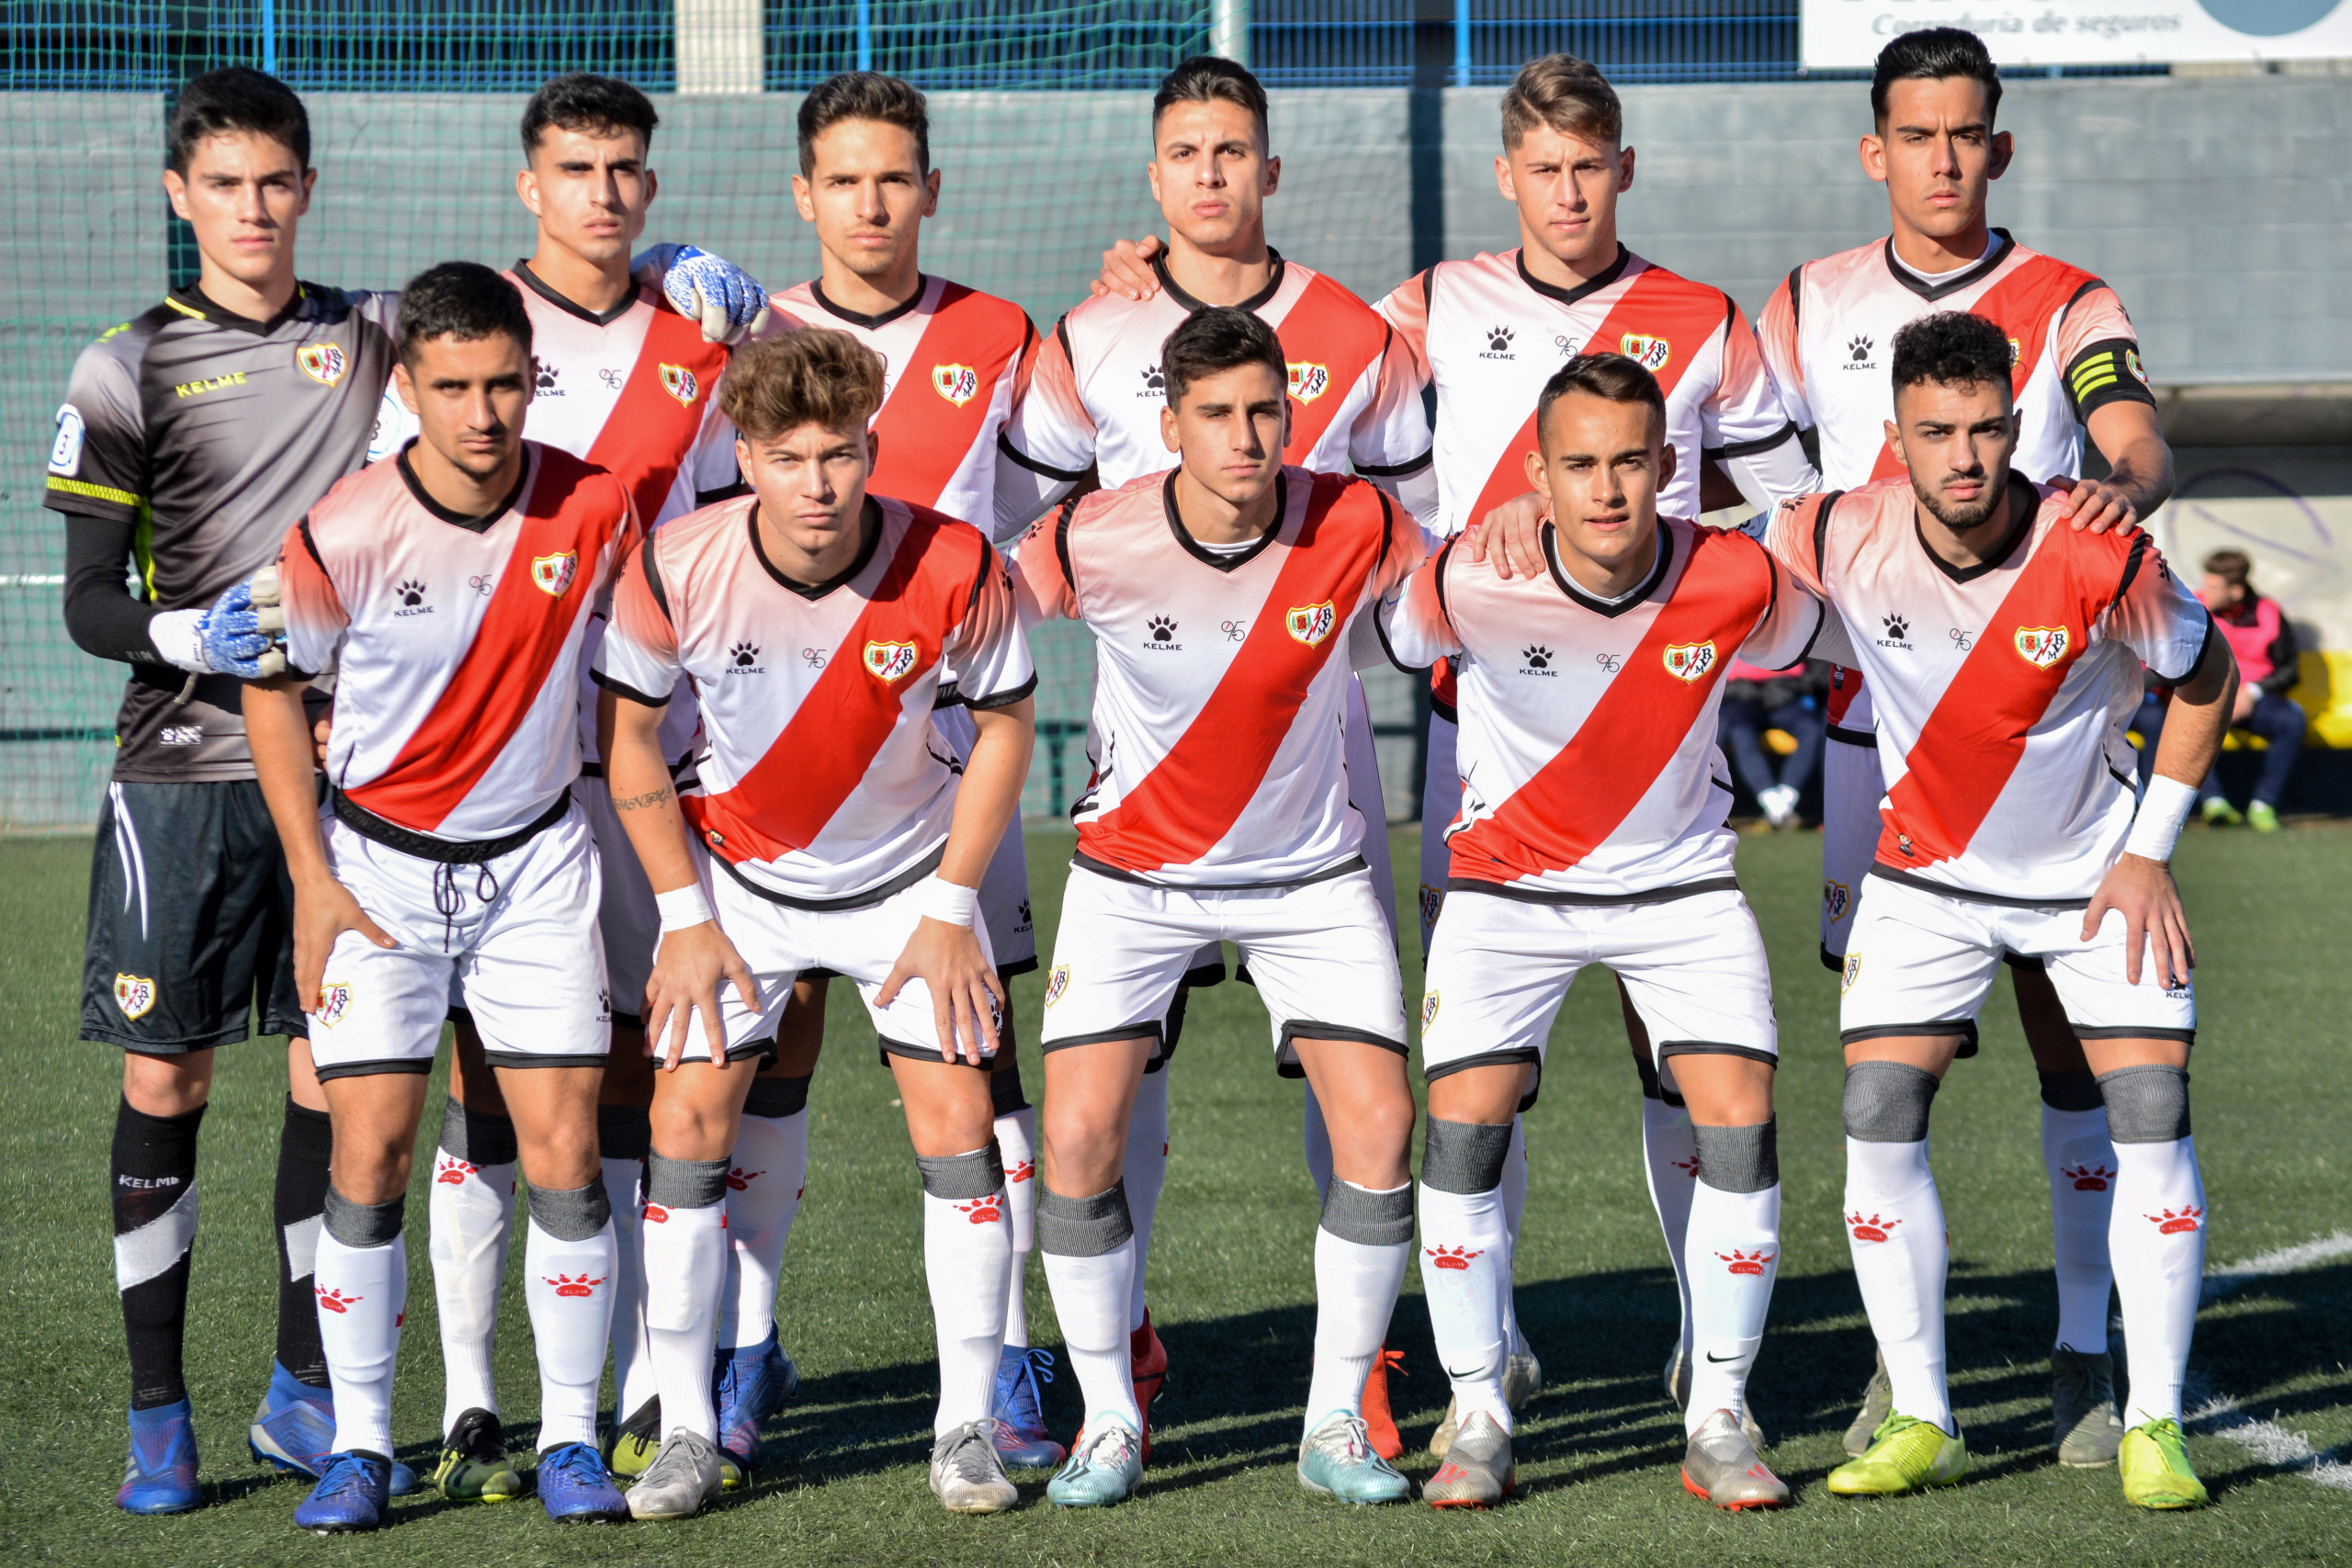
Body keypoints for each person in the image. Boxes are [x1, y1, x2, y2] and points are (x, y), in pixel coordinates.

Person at [1468, 27, 2177, 1470]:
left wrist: (2121, 487)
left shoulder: (2065, 299)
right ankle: (1894, 1371)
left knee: (2068, 1044)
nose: (1942, 159)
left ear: (1999, 146)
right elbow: (1726, 463)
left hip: (2036, 727)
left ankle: (2088, 1349)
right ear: (1877, 149)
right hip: (1874, 733)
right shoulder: (1804, 305)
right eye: (1916, 135)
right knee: (1880, 1071)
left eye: (1966, 134)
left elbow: (2135, 433)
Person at [996, 54, 1436, 1456]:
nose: (1208, 174)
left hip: (1312, 758)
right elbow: (1021, 507)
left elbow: (1415, 546)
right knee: (1121, 1083)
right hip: (1147, 774)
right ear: (1154, 174)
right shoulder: (1097, 326)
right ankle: (1114, 1344)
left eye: (1232, 150)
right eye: (1185, 151)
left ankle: (1354, 1374)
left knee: (1354, 1085)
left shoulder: (1354, 336)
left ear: (1269, 167)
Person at [1760, 310, 2230, 1509]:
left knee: (2148, 1106)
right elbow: (1703, 583)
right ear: (1895, 438)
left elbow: (2206, 674)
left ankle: (2151, 1418)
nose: (1962, 456)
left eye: (1982, 430)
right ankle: (1925, 1411)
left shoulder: (2095, 543)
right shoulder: (1835, 531)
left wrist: (2149, 855)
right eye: (1935, 433)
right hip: (1925, 881)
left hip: (2090, 880)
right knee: (1875, 1104)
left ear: (2018, 428)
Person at [594, 329, 1037, 1519]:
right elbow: (628, 733)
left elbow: (1005, 724)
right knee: (684, 1118)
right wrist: (683, 913)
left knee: (961, 1130)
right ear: (744, 455)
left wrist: (951, 906)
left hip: (908, 890)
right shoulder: (677, 562)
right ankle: (687, 1426)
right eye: (787, 457)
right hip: (737, 890)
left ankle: (968, 1428)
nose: (817, 483)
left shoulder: (952, 558)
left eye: (838, 454)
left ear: (872, 447)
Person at [1385, 354, 1830, 1510]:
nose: (1606, 488)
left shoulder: (1736, 577)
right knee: (1463, 1126)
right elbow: (1383, 630)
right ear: (1535, 475)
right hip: (1503, 894)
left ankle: (1720, 1410)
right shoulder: (1463, 580)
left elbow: (1830, 631)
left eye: (1630, 460)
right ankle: (1479, 1405)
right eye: (1578, 464)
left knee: (1737, 1117)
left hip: (1679, 892)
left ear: (1668, 466)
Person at [397, 72, 754, 1507]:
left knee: (651, 1073)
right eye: (574, 168)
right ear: (525, 184)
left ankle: (658, 1380)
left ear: (651, 191)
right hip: (515, 756)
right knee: (495, 1093)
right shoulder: (476, 335)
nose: (602, 193)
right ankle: (478, 1401)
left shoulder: (705, 333)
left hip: (661, 745)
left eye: (625, 170)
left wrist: (704, 311)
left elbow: (728, 512)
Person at [243, 261, 643, 1531]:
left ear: (536, 378)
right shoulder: (343, 526)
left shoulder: (596, 507)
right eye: (455, 386)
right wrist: (310, 879)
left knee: (567, 1152)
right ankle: (364, 1444)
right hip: (375, 876)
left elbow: (635, 691)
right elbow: (268, 689)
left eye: (507, 384)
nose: (484, 412)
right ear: (407, 386)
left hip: (539, 863)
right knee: (368, 1154)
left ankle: (572, 1435)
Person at [714, 71, 1060, 1476]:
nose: (871, 201)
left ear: (932, 187)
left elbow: (1048, 513)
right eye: (843, 178)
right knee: (759, 1063)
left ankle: (1016, 1353)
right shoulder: (750, 335)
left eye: (895, 175)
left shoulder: (1001, 335)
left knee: (986, 1067)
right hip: (773, 779)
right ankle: (746, 1342)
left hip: (946, 773)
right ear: (805, 193)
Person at [2132, 548, 2302, 831]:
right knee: (2176, 720)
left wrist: (2254, 692)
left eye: (2213, 586)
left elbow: (2289, 670)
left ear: (2236, 591)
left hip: (2245, 702)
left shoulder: (2270, 613)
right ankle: (2213, 803)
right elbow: (2169, 660)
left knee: (2291, 720)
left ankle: (2263, 805)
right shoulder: (2191, 607)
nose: (2204, 591)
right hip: (2199, 695)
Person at [1717, 657, 1826, 830]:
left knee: (1812, 729)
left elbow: (1817, 671)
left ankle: (1783, 801)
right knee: (1739, 732)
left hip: (1785, 699)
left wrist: (1791, 686)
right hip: (1742, 702)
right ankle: (1775, 805)